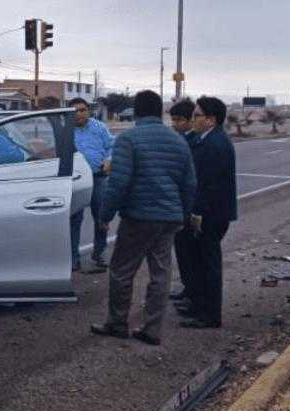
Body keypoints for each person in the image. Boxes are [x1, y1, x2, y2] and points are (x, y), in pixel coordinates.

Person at [90, 90, 196, 346]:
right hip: (169, 218)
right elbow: (190, 183)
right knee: (161, 274)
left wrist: (105, 214)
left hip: (139, 217)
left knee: (122, 271)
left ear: (136, 111)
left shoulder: (128, 139)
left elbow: (119, 182)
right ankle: (152, 330)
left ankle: (117, 323)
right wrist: (182, 215)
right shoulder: (179, 140)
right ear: (159, 111)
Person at [179, 96, 237, 329]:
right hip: (205, 212)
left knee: (208, 264)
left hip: (211, 215)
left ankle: (210, 315)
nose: (193, 120)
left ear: (211, 120)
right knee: (198, 262)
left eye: (197, 116)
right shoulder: (204, 138)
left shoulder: (216, 144)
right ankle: (198, 305)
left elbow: (209, 184)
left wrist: (197, 213)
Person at [68, 97, 115, 271]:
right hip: (76, 179)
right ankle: (73, 257)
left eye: (83, 110)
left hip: (98, 176)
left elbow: (112, 145)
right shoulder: (65, 130)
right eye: (75, 111)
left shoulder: (99, 127)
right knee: (74, 219)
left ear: (88, 110)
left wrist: (109, 159)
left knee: (101, 216)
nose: (79, 114)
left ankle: (99, 253)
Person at [167, 99, 198, 306]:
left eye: (179, 120)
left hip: (189, 207)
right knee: (182, 251)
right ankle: (188, 288)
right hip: (178, 206)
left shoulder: (193, 142)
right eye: (173, 120)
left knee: (191, 253)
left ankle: (194, 292)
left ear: (190, 121)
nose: (175, 124)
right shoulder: (180, 139)